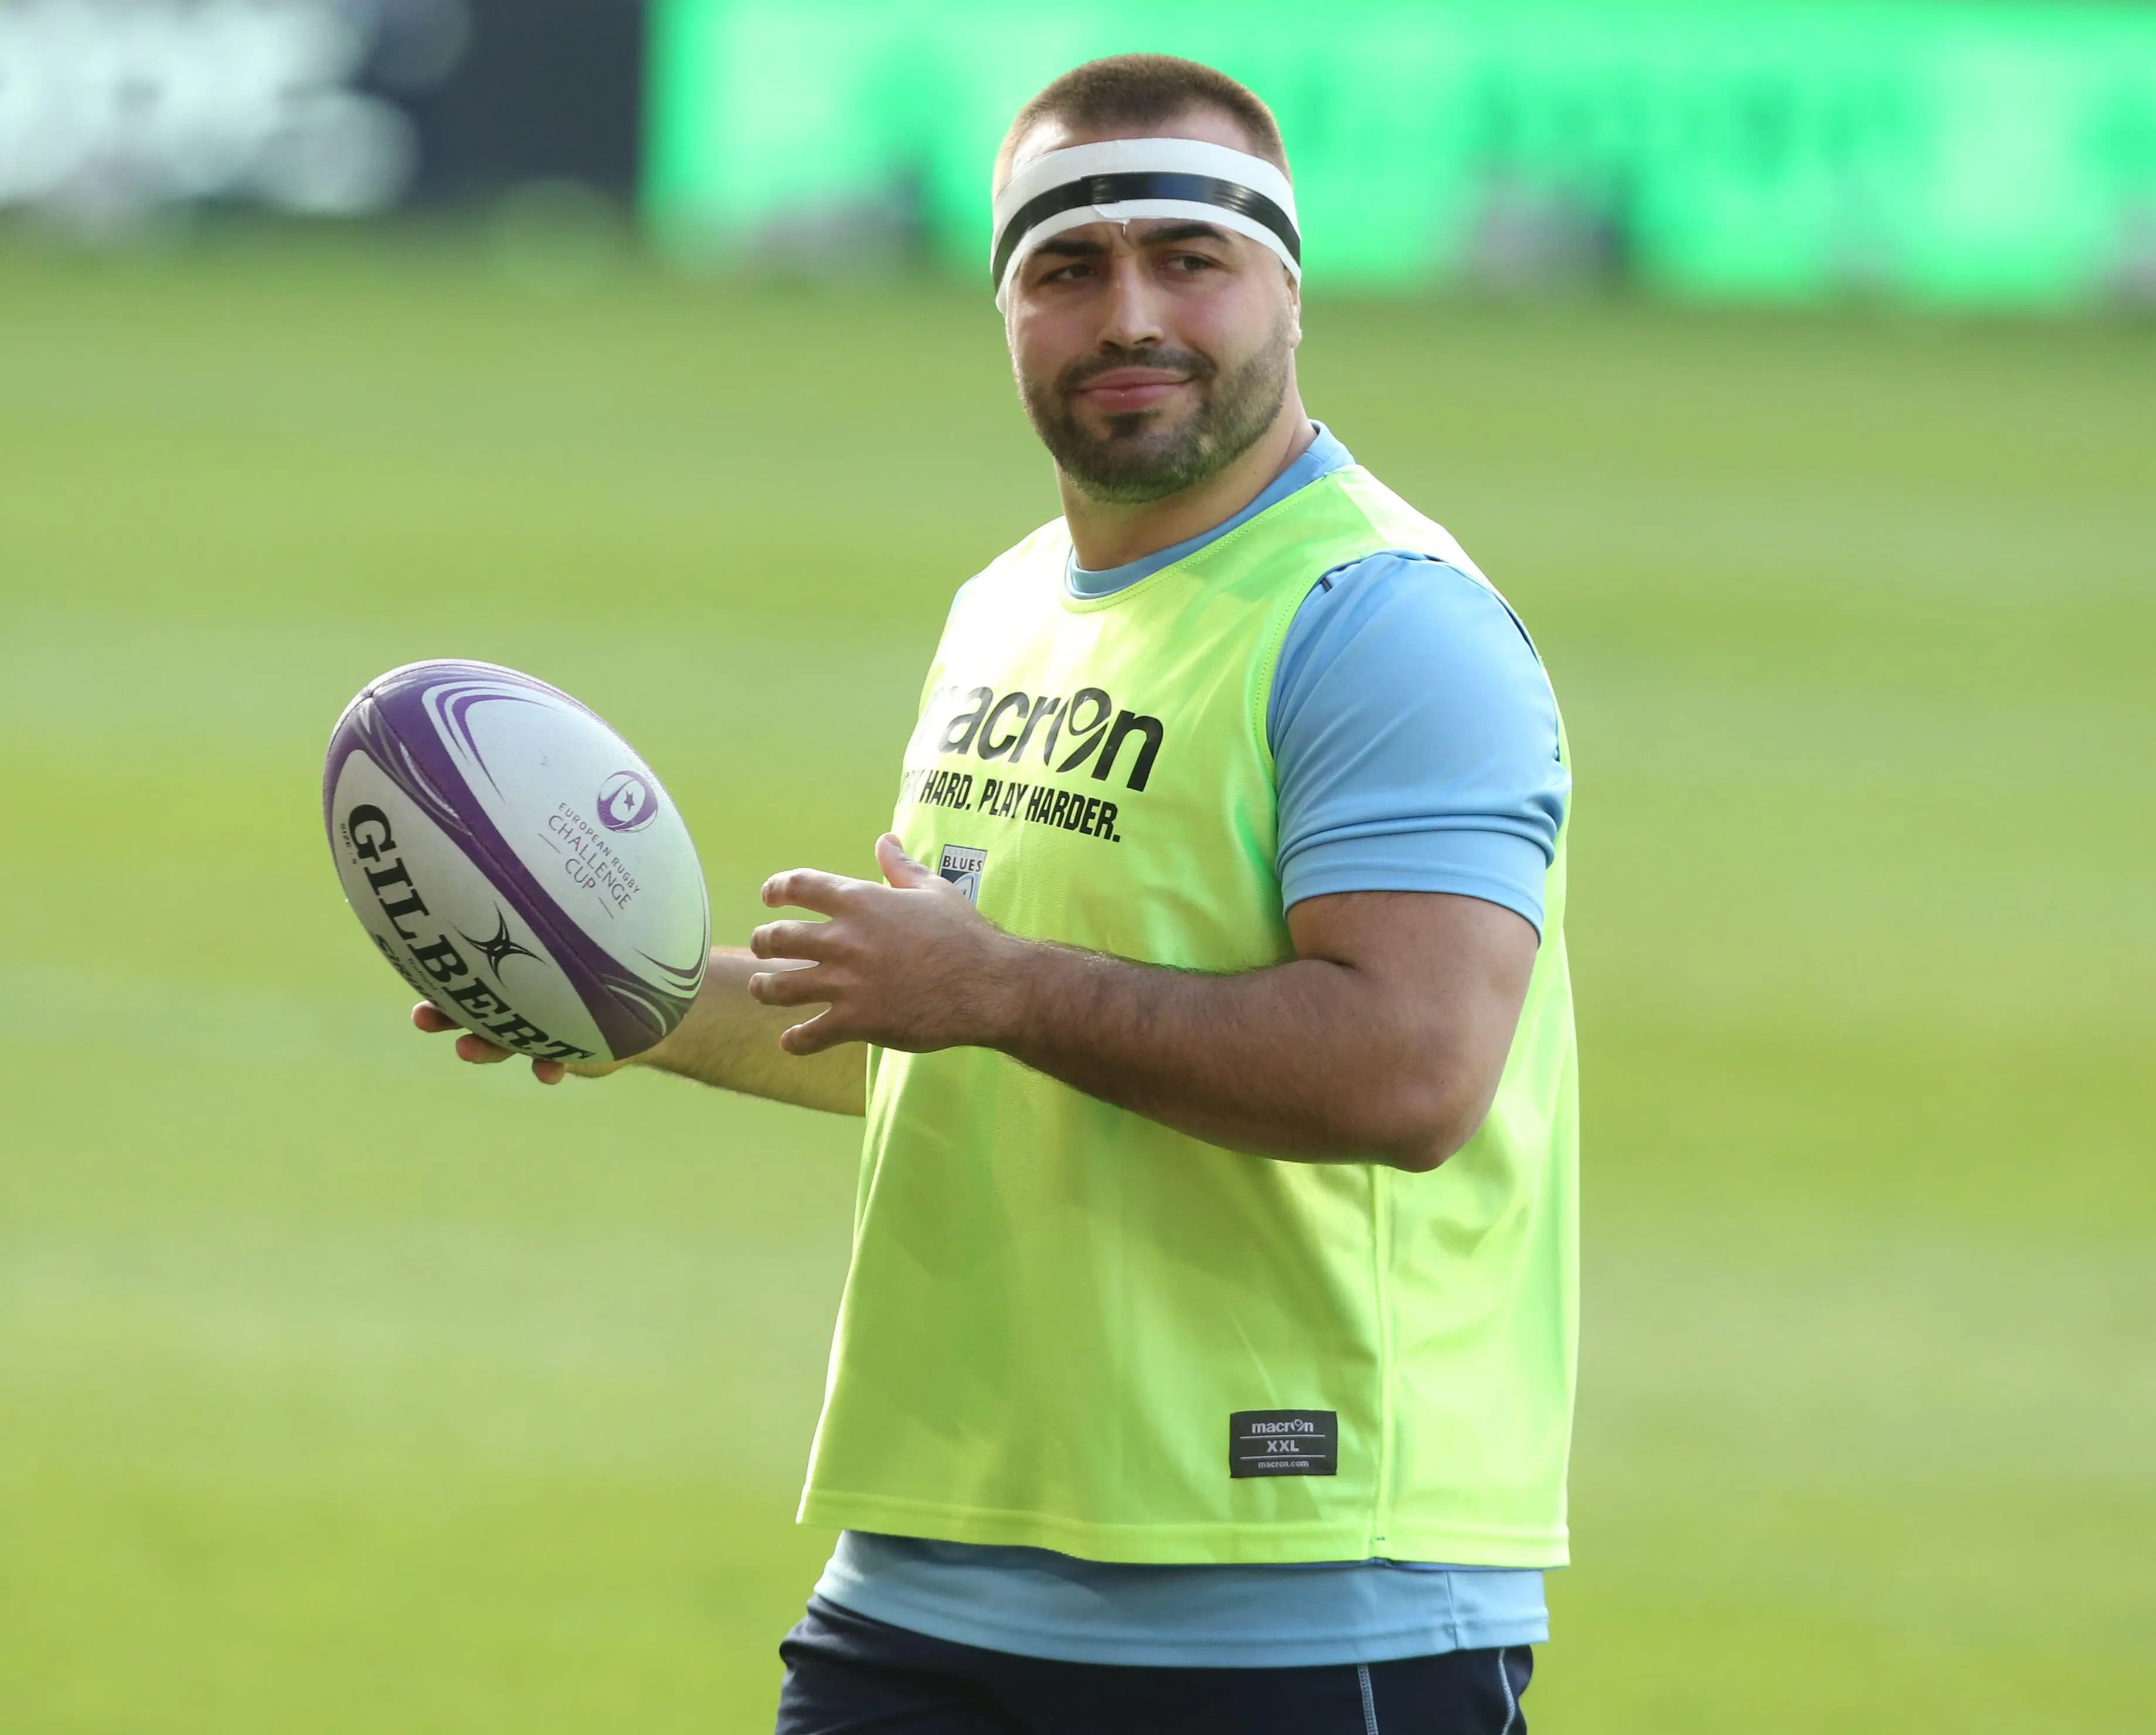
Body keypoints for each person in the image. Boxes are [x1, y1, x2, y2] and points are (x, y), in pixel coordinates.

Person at [417, 53, 1575, 1735]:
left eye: (1190, 259)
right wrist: (626, 996)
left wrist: (1004, 988)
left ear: (1286, 291)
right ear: (1007, 312)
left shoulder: (1382, 622)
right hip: (935, 1569)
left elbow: (1412, 1072)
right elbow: (933, 1024)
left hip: (1297, 1592)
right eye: (1066, 269)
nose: (1130, 316)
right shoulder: (1009, 612)